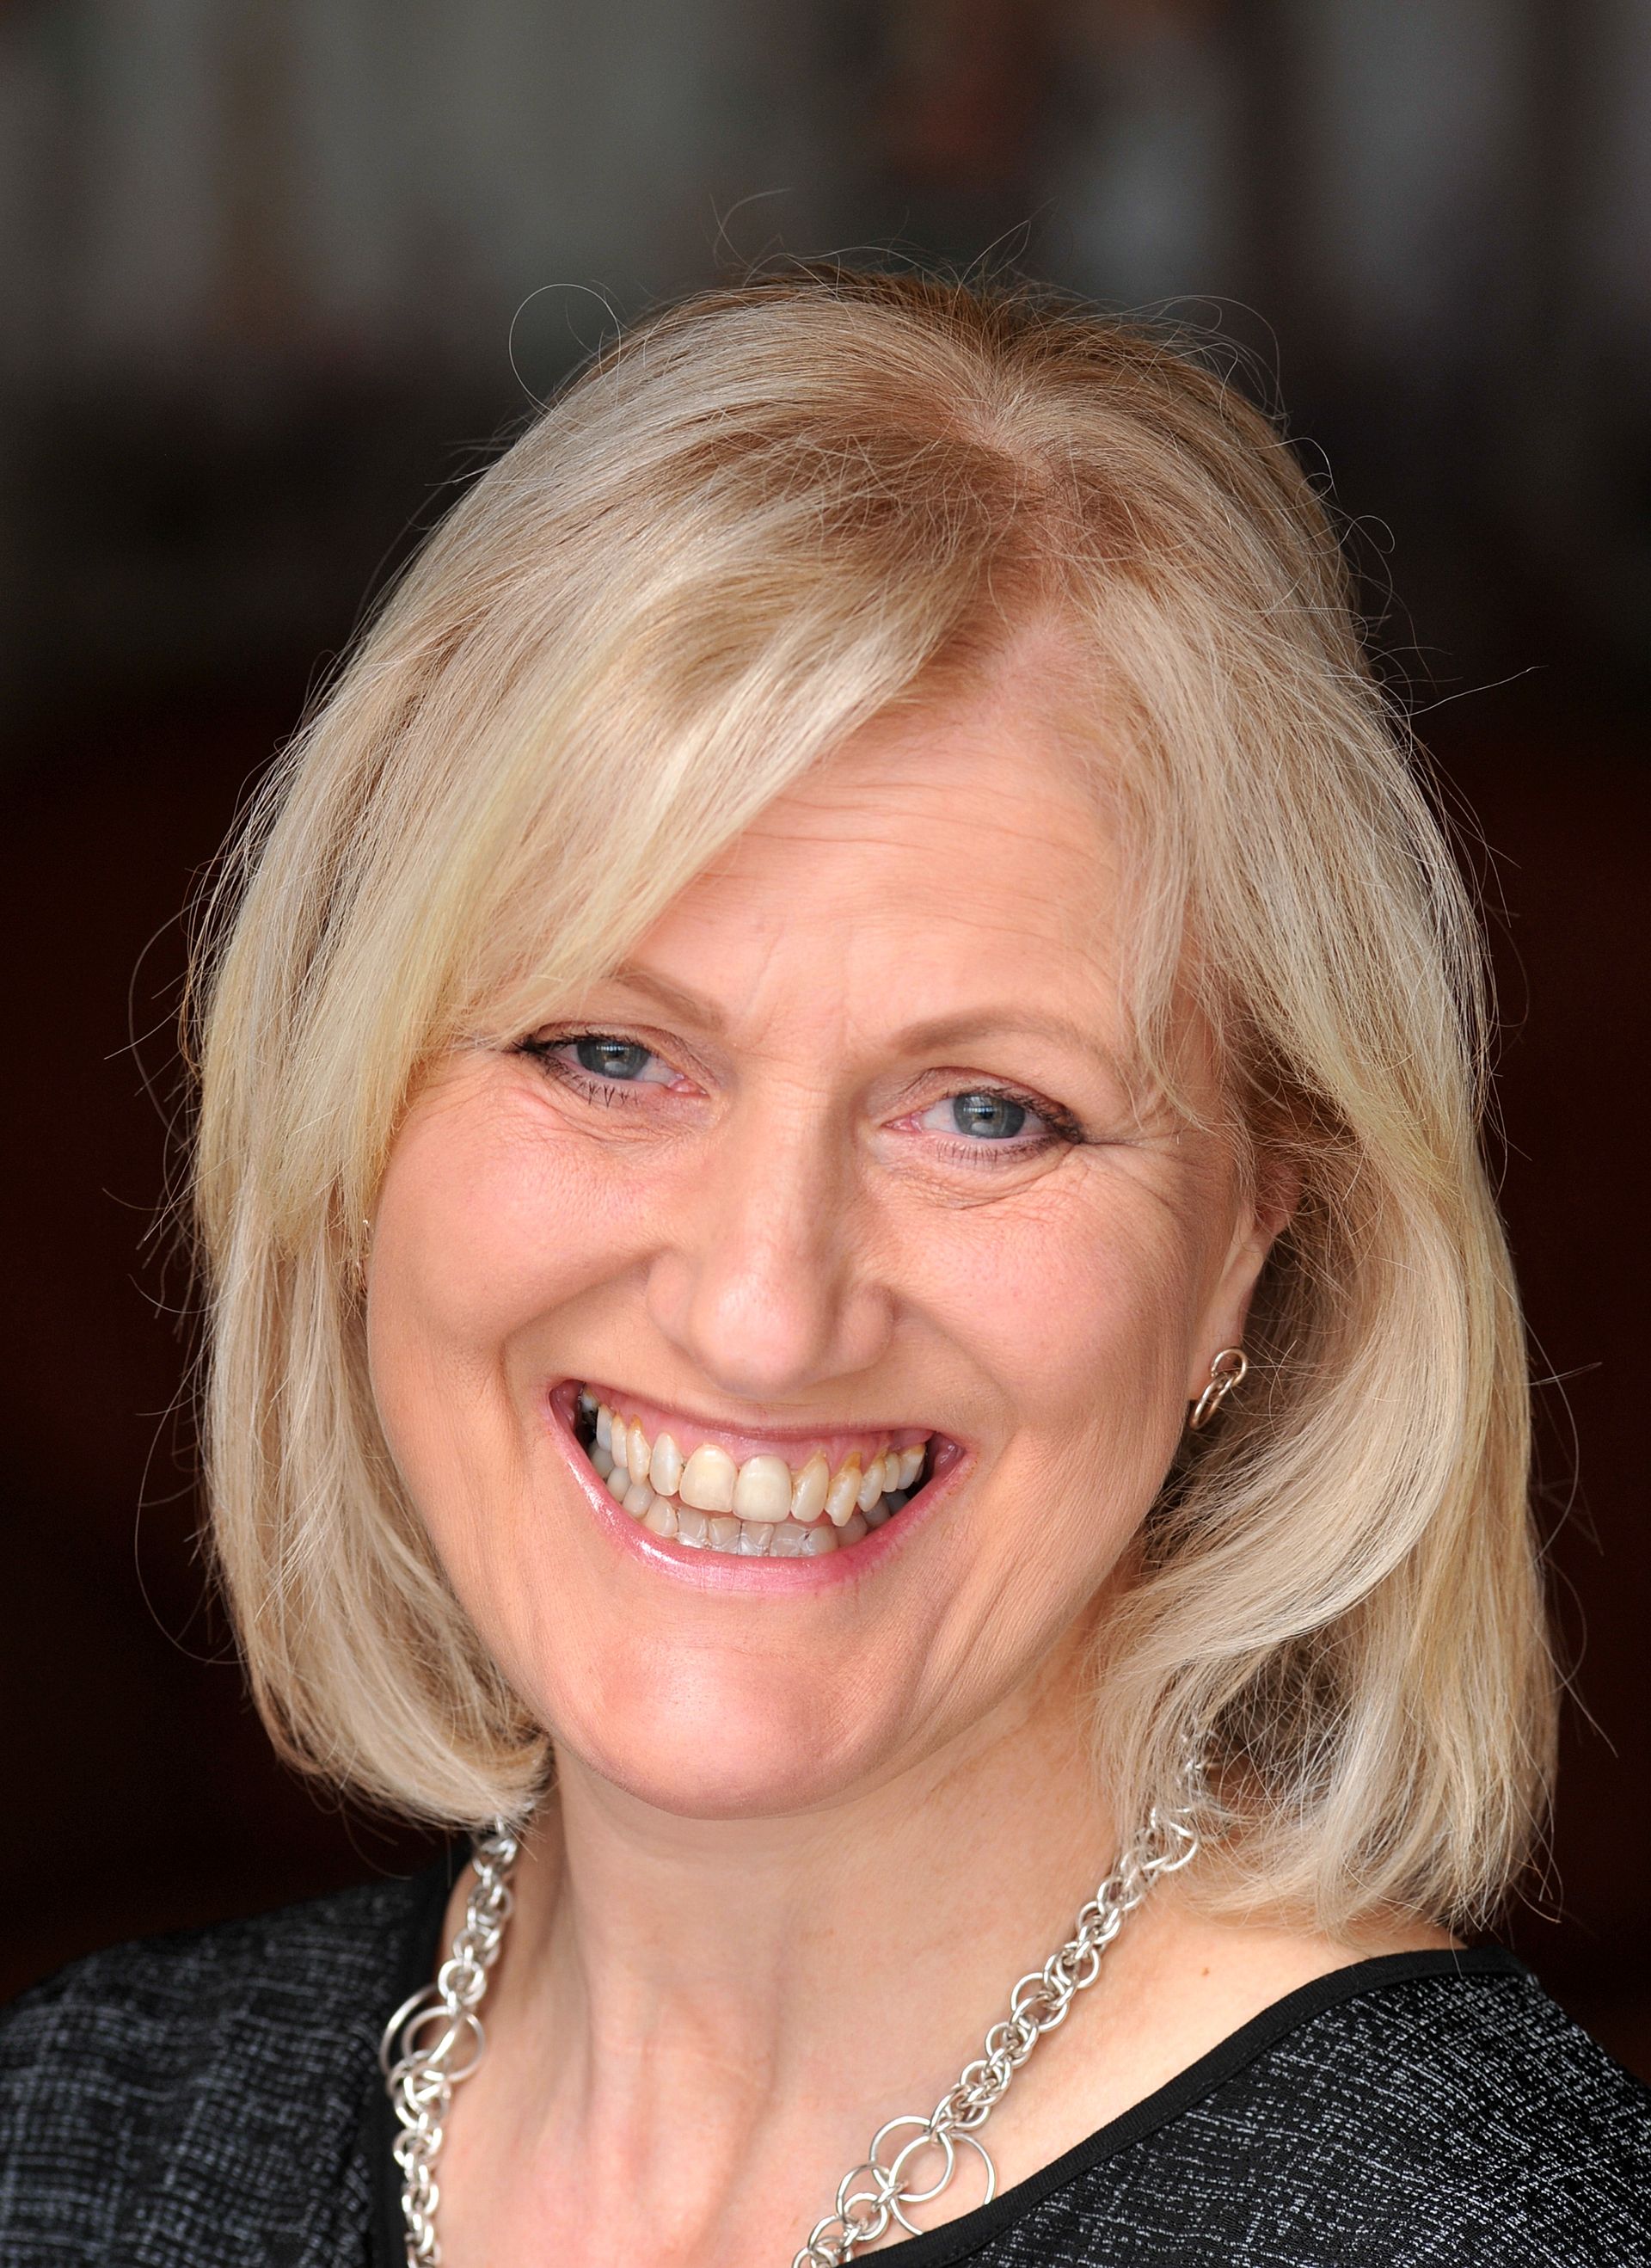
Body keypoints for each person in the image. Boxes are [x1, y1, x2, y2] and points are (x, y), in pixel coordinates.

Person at [3, 267, 1647, 2268]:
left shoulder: (1464, 2236)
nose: (764, 1308)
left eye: (987, 1111)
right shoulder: (80, 2136)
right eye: (609, 1052)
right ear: (354, 1123)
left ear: (1250, 1239)